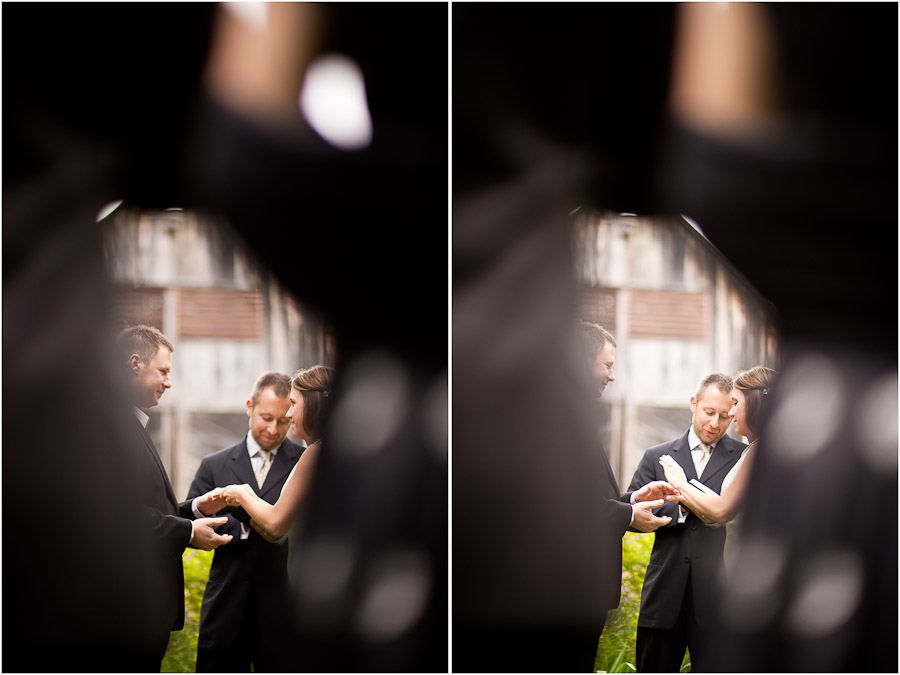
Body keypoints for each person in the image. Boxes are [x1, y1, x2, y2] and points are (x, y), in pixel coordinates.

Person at [118, 324, 234, 670]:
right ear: (135, 364)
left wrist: (194, 508)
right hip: (130, 613)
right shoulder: (111, 428)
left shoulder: (133, 422)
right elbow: (121, 516)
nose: (169, 382)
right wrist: (188, 532)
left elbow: (148, 508)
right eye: (164, 371)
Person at [626, 373, 745, 672]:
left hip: (718, 600)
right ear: (693, 404)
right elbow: (630, 508)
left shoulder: (743, 458)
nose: (715, 424)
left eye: (724, 416)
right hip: (663, 596)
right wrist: (678, 508)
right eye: (708, 412)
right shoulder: (657, 455)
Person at [187, 372, 305, 672]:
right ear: (250, 406)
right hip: (226, 606)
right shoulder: (214, 464)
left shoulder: (305, 461)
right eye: (266, 417)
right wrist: (243, 524)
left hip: (282, 610)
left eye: (283, 421)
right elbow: (191, 522)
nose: (273, 429)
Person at [659, 366, 777, 572]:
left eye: (735, 404)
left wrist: (680, 484)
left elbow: (722, 510)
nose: (731, 413)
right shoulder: (755, 449)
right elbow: (719, 514)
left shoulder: (759, 450)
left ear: (754, 404)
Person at [221, 365, 333, 542]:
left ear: (312, 405)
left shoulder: (314, 453)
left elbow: (275, 525)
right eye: (267, 418)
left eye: (293, 404)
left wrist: (240, 494)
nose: (289, 414)